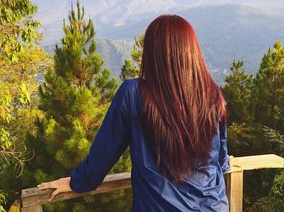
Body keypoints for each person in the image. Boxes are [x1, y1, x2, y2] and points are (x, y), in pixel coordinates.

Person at [38, 14, 231, 211]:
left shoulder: (133, 94)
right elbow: (221, 161)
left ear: (152, 54)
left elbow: (103, 155)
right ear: (192, 53)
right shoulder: (213, 96)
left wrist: (76, 182)